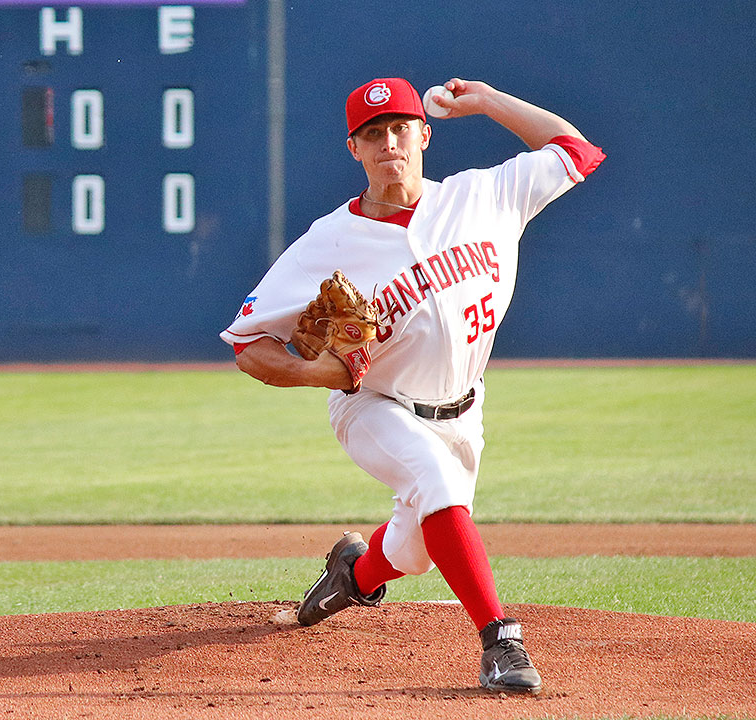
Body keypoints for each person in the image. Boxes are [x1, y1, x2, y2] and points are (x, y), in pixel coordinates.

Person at [219, 76, 604, 694]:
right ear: (354, 149)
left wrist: (485, 103)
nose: (387, 143)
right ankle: (500, 640)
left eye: (399, 128)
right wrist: (330, 373)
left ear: (424, 134)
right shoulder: (327, 242)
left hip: (464, 411)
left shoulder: (483, 196)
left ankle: (357, 573)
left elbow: (576, 150)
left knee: (418, 549)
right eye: (372, 134)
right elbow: (248, 347)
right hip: (375, 406)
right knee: (434, 481)